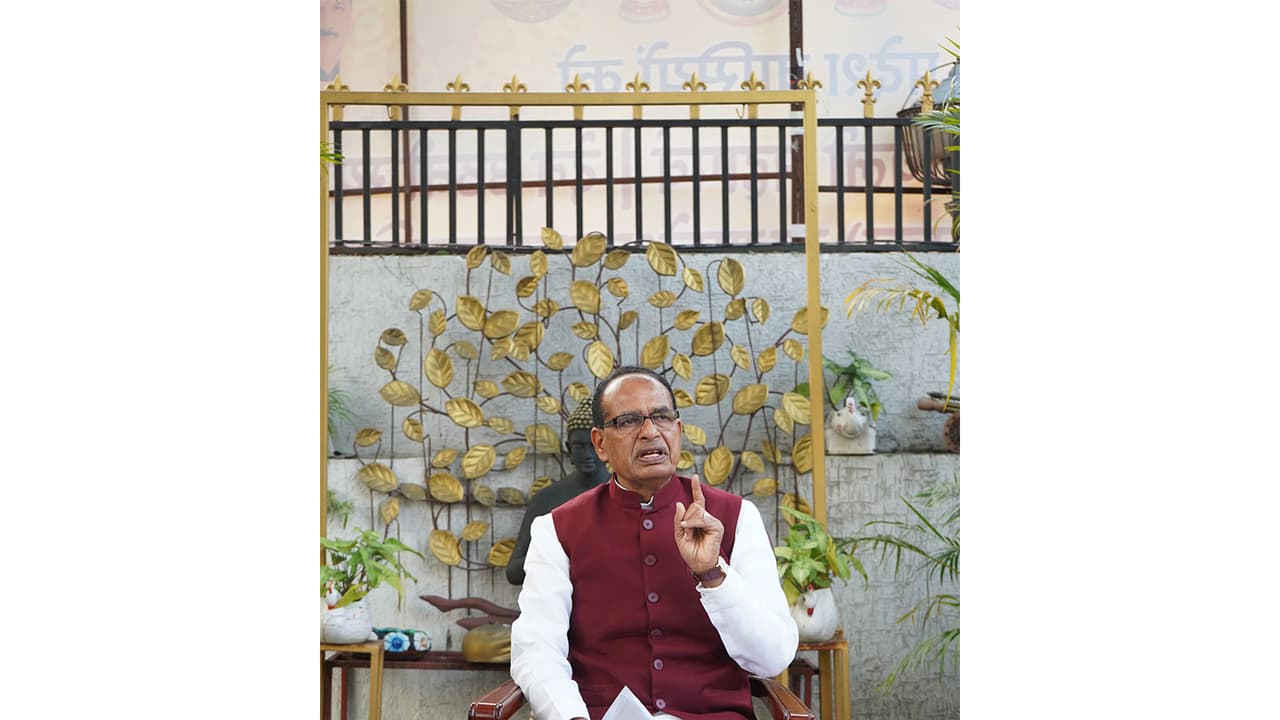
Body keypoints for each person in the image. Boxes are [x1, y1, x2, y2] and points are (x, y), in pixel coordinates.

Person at [510, 366, 798, 720]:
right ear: (600, 444)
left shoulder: (737, 517)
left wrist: (712, 574)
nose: (649, 432)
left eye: (661, 417)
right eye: (629, 421)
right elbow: (537, 649)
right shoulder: (557, 529)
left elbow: (772, 657)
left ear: (678, 431)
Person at [506, 397, 611, 585]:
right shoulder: (547, 498)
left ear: (605, 446)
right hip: (560, 598)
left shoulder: (628, 494)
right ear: (569, 448)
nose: (587, 455)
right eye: (579, 446)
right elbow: (514, 572)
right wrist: (560, 552)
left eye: (593, 445)